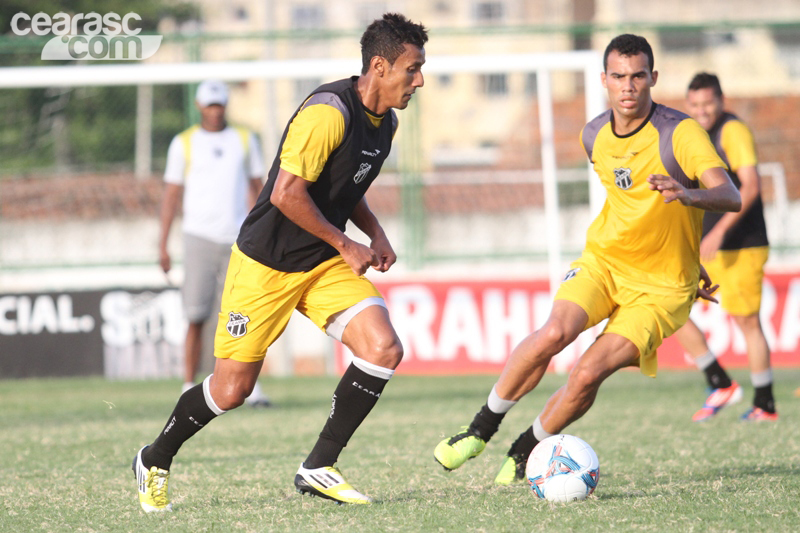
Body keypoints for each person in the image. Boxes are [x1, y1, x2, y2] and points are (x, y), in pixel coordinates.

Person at [133, 13, 428, 512]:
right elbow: (287, 195)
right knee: (232, 390)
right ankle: (154, 457)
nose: (419, 80)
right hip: (266, 263)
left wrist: (375, 233)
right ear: (380, 66)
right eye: (412, 69)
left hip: (321, 261)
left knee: (383, 347)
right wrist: (347, 244)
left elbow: (346, 185)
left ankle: (319, 466)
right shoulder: (328, 113)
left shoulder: (387, 124)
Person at [433, 34, 741, 486]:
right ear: (604, 80)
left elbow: (730, 194)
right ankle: (479, 430)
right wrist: (683, 245)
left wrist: (688, 197)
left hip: (661, 290)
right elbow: (631, 204)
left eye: (638, 76)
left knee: (586, 373)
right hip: (605, 262)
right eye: (618, 76)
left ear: (653, 78)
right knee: (554, 332)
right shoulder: (593, 135)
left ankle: (525, 450)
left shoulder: (680, 132)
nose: (628, 86)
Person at [159, 79, 271, 406]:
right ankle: (187, 384)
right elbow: (171, 195)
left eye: (219, 104)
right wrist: (162, 244)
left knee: (241, 316)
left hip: (238, 239)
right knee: (196, 314)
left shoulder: (244, 139)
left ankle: (248, 387)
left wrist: (264, 233)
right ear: (199, 106)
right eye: (209, 105)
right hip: (198, 237)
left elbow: (259, 190)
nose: (214, 110)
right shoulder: (184, 143)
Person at [673, 73, 776, 422]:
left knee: (747, 321)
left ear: (721, 100)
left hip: (742, 245)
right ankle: (720, 382)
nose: (702, 111)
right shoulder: (692, 134)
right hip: (705, 249)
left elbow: (751, 186)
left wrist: (717, 233)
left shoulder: (733, 130)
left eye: (708, 103)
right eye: (695, 104)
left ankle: (765, 404)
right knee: (668, 306)